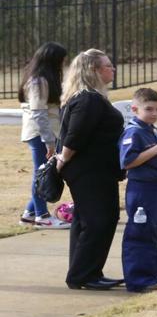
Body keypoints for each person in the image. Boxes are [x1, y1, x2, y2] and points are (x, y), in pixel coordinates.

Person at [55, 49, 126, 290]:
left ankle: (86, 271)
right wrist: (63, 159)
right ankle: (83, 274)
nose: (112, 69)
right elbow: (75, 135)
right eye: (107, 65)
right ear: (93, 71)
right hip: (90, 170)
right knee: (100, 220)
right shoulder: (89, 99)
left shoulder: (87, 97)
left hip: (93, 169)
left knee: (86, 220)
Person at [118, 88, 157, 292]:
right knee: (140, 233)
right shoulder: (134, 132)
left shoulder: (152, 130)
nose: (155, 113)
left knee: (154, 232)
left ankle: (152, 274)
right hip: (142, 188)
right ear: (135, 109)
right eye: (149, 109)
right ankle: (138, 279)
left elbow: (156, 156)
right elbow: (128, 161)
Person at [17, 41, 69, 228]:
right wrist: (49, 142)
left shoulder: (44, 79)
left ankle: (30, 213)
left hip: (47, 133)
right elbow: (39, 112)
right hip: (40, 134)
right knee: (42, 174)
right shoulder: (38, 81)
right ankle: (42, 216)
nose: (63, 64)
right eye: (61, 60)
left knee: (44, 172)